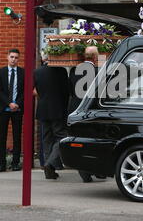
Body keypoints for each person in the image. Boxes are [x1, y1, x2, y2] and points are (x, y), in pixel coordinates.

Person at [68, 46, 105, 182]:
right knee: (94, 140)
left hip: (75, 108)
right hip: (92, 110)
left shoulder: (73, 70)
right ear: (95, 57)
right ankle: (94, 169)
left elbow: (71, 90)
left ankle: (85, 170)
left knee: (79, 139)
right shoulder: (98, 71)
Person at [34, 51, 69, 180]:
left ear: (43, 60)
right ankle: (50, 164)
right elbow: (66, 92)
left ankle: (48, 168)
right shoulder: (61, 71)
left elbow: (36, 91)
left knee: (47, 139)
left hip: (43, 109)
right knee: (62, 137)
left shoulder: (37, 72)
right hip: (58, 109)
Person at [0, 49, 24, 172]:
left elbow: (25, 91)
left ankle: (15, 163)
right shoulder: (0, 72)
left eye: (16, 57)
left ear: (19, 59)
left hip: (17, 109)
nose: (13, 59)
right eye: (12, 57)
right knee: (2, 137)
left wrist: (17, 104)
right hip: (4, 108)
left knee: (17, 136)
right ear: (7, 57)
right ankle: (2, 164)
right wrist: (9, 103)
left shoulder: (23, 72)